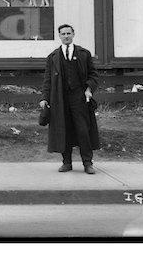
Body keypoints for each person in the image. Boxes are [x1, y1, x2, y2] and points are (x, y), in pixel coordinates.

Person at [40, 24, 100, 174]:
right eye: (63, 34)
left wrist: (88, 89)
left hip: (79, 97)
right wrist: (44, 98)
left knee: (83, 130)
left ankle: (88, 163)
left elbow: (93, 75)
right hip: (59, 98)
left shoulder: (84, 54)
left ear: (73, 34)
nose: (66, 36)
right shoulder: (53, 57)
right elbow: (48, 80)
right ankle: (66, 163)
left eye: (68, 33)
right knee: (63, 129)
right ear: (59, 36)